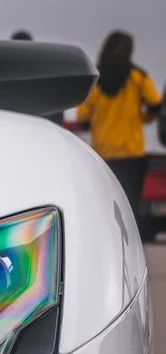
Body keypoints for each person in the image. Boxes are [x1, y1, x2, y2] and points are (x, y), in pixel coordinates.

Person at [68, 30, 161, 233]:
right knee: (131, 206)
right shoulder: (138, 77)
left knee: (106, 204)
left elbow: (82, 118)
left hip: (104, 153)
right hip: (132, 152)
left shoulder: (96, 80)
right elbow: (155, 105)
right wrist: (143, 118)